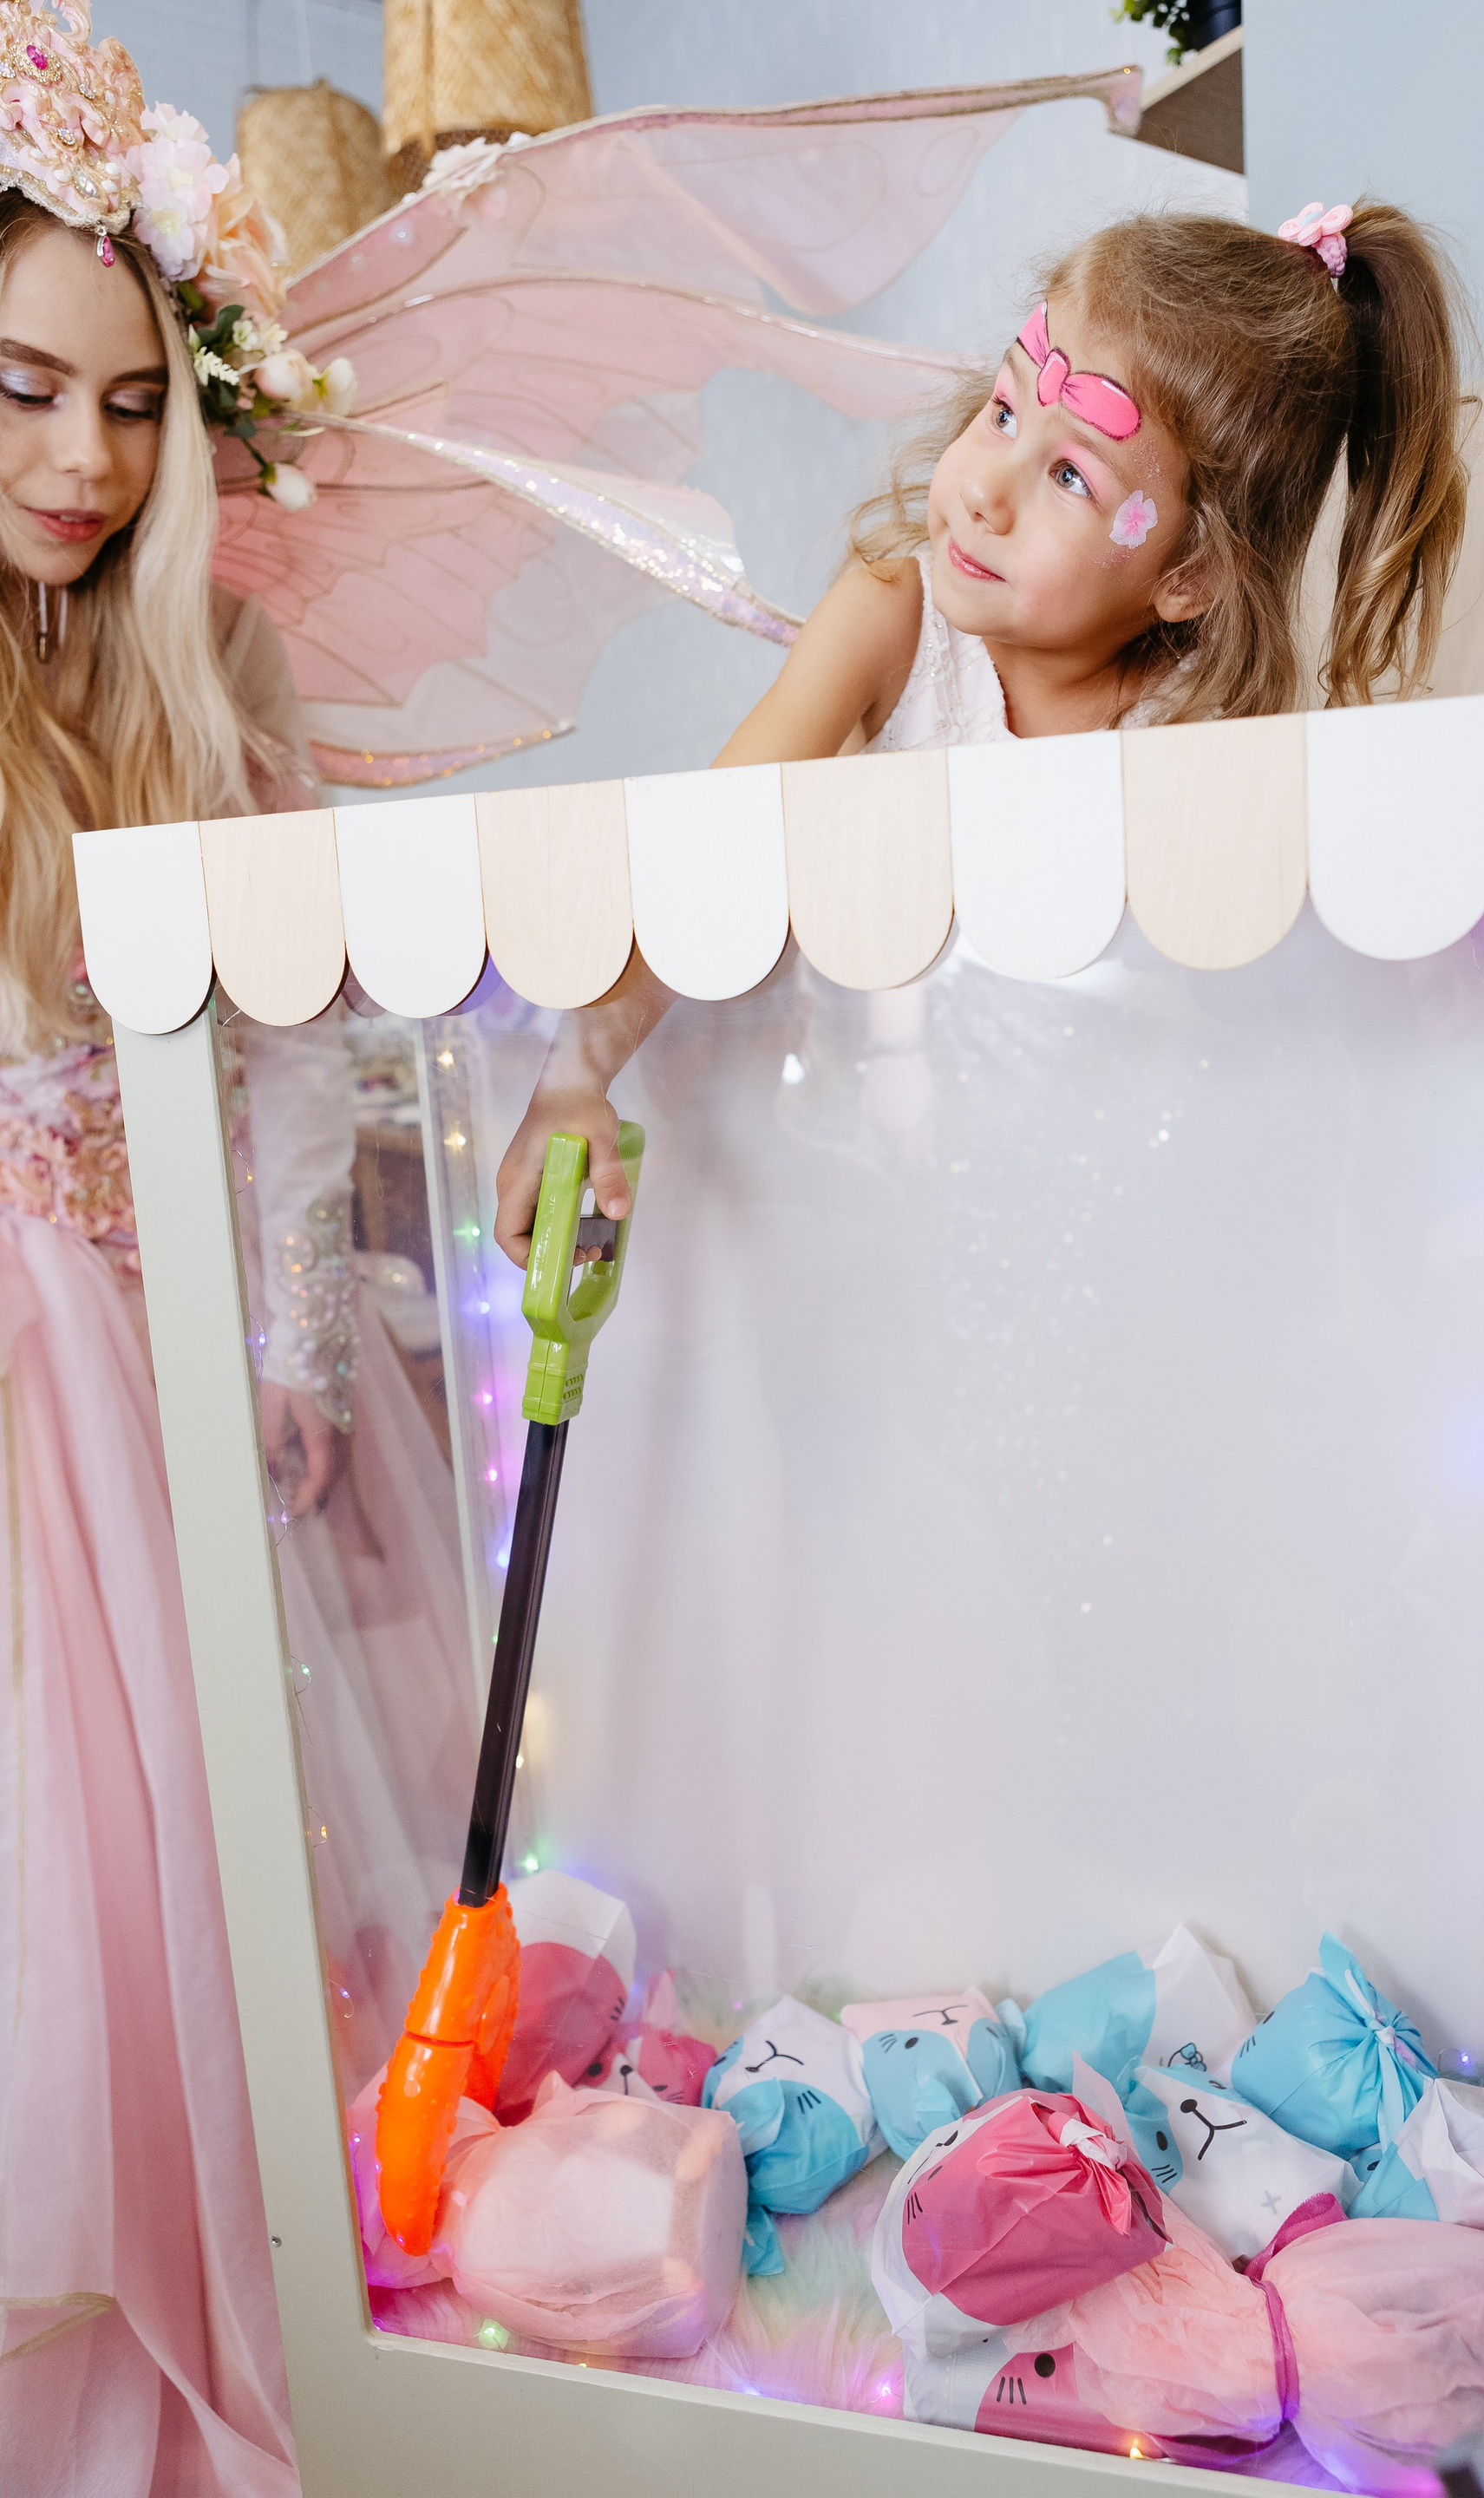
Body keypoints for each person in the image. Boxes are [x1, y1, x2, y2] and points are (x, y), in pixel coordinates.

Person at [0, 19, 471, 2489]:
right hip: (31, 1380)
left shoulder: (199, 662)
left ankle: (212, 2356)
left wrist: (288, 1335)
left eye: (129, 404)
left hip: (158, 1350)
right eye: (23, 393)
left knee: (200, 1879)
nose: (83, 461)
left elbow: (292, 1045)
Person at [494, 198, 1472, 1266]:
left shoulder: (1197, 737)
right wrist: (574, 1079)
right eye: (1005, 412)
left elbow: (1264, 1043)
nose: (986, 493)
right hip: (875, 1194)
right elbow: (701, 858)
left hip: (1110, 1226)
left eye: (1070, 477)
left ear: (1189, 572)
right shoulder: (889, 620)